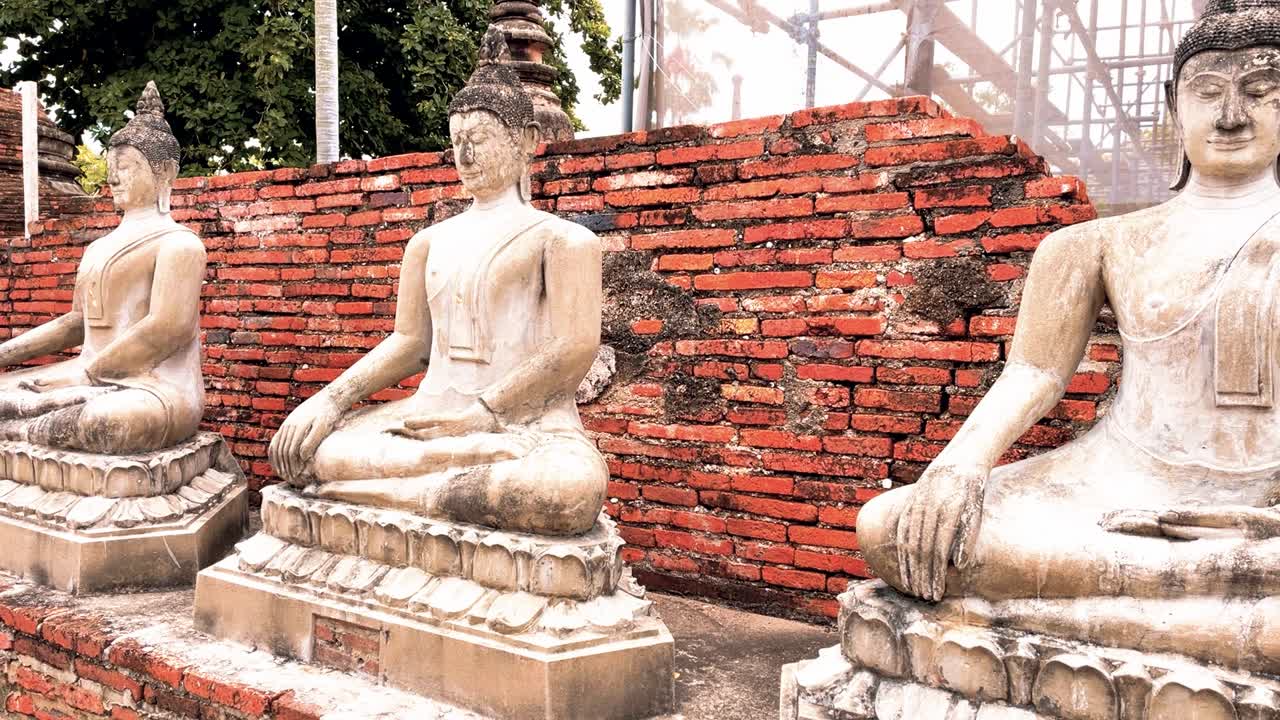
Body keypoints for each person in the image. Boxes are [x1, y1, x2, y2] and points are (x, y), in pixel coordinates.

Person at [268, 29, 608, 537]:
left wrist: (484, 414)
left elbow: (573, 348)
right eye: (457, 142)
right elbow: (410, 343)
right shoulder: (428, 242)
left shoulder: (562, 241)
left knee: (568, 490)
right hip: (430, 417)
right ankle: (438, 488)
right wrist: (332, 398)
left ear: (528, 141)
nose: (465, 156)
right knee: (311, 451)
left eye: (482, 139)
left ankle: (384, 496)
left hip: (525, 424)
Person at [0, 82, 205, 455]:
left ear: (166, 171)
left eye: (125, 167)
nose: (112, 178)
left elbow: (168, 329)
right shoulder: (99, 247)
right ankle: (32, 433)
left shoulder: (180, 244)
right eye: (111, 167)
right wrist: (5, 354)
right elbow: (77, 322)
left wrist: (85, 374)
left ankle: (26, 435)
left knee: (107, 421)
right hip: (85, 375)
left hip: (152, 386)